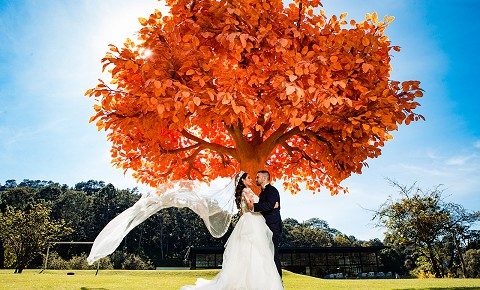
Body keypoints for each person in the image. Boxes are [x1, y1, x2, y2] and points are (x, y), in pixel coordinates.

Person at [181, 172, 283, 290]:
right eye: (249, 177)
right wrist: (272, 206)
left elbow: (247, 208)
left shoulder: (249, 191)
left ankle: (252, 281)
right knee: (257, 251)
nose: (253, 179)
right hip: (253, 222)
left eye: (255, 177)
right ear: (243, 181)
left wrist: (266, 206)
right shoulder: (247, 191)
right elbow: (251, 205)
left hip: (251, 221)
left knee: (252, 252)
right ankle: (260, 283)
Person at [247, 170, 282, 278]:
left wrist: (254, 207)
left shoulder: (271, 190)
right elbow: (271, 205)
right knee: (266, 254)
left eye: (258, 177)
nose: (256, 179)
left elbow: (269, 205)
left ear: (264, 178)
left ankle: (278, 282)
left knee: (273, 254)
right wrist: (272, 206)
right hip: (265, 226)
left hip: (273, 226)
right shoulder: (263, 192)